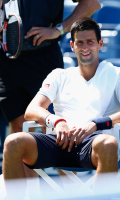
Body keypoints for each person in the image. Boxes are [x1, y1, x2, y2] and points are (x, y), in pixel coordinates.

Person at [2, 17, 120, 198]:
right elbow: (31, 111)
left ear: (100, 44)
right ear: (72, 45)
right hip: (58, 143)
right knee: (13, 142)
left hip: (92, 145)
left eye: (90, 42)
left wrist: (95, 124)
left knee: (109, 143)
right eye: (80, 43)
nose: (85, 48)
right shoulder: (58, 75)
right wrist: (57, 121)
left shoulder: (116, 73)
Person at [0, 0, 101, 134]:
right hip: (7, 59)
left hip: (44, 59)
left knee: (53, 127)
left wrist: (59, 29)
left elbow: (91, 3)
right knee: (18, 128)